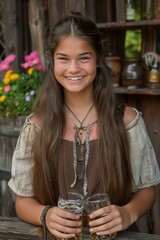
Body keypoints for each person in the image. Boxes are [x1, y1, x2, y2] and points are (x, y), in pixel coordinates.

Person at [8, 12, 160, 240]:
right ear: (52, 61)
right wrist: (45, 215)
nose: (73, 68)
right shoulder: (37, 126)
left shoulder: (126, 120)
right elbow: (22, 201)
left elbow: (147, 191)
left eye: (84, 58)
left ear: (98, 60)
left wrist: (128, 213)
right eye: (63, 58)